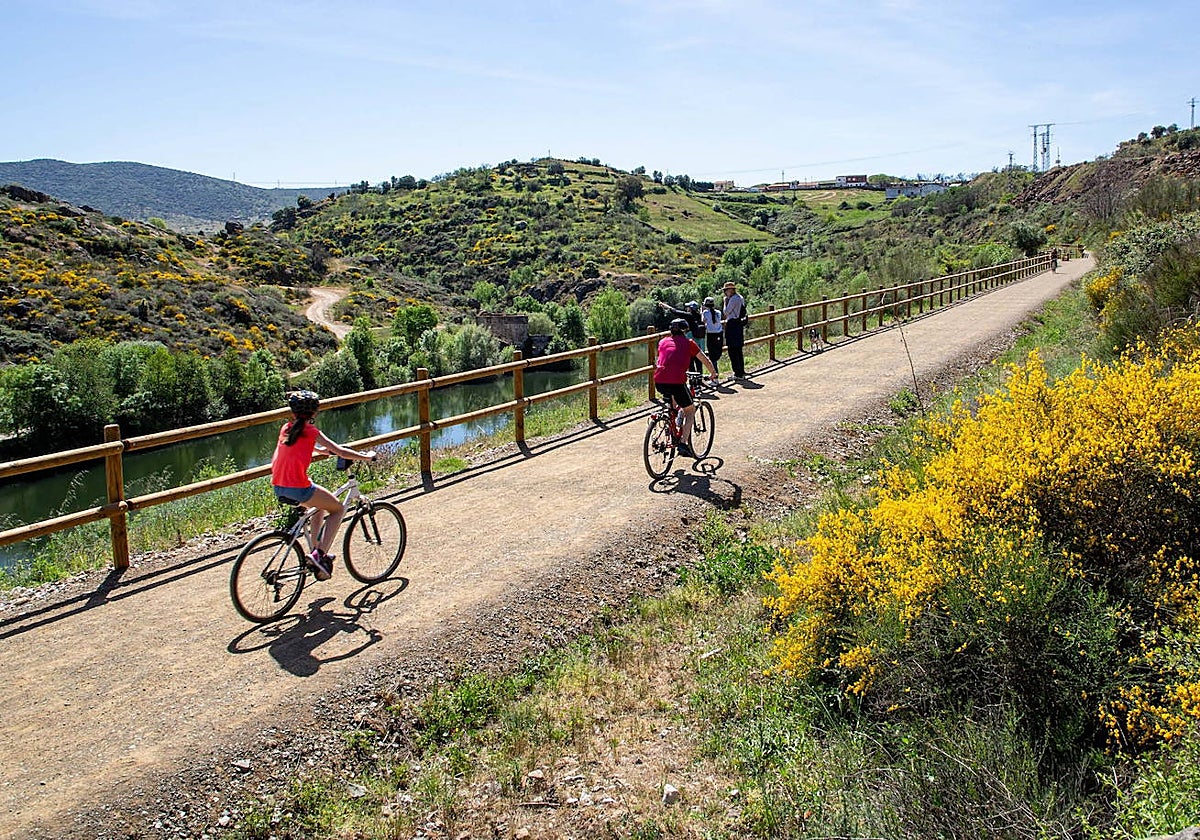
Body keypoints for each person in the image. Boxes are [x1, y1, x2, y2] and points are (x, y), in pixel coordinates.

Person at [271, 390, 377, 581]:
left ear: (293, 412)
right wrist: (366, 457)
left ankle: (315, 552)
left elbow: (300, 444)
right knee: (336, 509)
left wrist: (320, 450)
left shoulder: (286, 428)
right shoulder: (311, 431)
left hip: (279, 486)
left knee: (318, 508)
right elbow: (341, 452)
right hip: (299, 488)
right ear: (314, 413)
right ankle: (320, 555)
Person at [654, 318, 718, 458]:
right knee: (690, 410)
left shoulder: (663, 341)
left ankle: (671, 428)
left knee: (673, 405)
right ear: (685, 330)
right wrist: (713, 373)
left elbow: (666, 359)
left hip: (659, 381)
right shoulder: (689, 343)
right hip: (677, 381)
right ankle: (682, 443)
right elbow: (704, 359)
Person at [657, 300, 704, 371]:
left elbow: (675, 311)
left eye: (688, 307)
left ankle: (693, 379)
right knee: (698, 360)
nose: (687, 308)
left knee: (690, 360)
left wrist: (666, 306)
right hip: (699, 341)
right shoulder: (700, 316)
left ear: (690, 308)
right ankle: (700, 378)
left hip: (691, 339)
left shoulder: (688, 315)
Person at [721, 281, 748, 379]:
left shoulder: (732, 299)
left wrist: (725, 302)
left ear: (731, 290)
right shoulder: (740, 297)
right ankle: (741, 371)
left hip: (732, 324)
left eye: (726, 290)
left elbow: (726, 312)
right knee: (738, 349)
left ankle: (737, 373)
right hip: (738, 324)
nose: (725, 293)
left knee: (732, 350)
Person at [700, 296, 724, 376]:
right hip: (719, 334)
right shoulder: (719, 312)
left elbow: (703, 320)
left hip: (711, 335)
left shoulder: (705, 313)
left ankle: (715, 375)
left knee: (712, 356)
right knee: (716, 354)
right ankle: (715, 374)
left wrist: (702, 311)